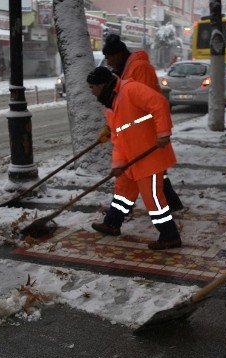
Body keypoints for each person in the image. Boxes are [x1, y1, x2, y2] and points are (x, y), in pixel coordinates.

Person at [87, 66, 182, 250]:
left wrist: (163, 132)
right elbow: (119, 136)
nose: (91, 92)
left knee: (153, 198)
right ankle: (112, 224)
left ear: (102, 85)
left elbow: (159, 103)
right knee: (122, 191)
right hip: (131, 158)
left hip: (150, 156)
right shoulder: (110, 103)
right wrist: (119, 163)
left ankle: (170, 235)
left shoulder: (130, 90)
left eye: (92, 87)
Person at [99, 34, 185, 219]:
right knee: (145, 175)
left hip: (146, 132)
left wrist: (160, 132)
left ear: (119, 54)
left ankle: (167, 210)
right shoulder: (124, 70)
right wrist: (112, 126)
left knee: (152, 174)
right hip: (134, 133)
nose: (108, 62)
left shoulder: (140, 68)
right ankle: (117, 216)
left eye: (110, 57)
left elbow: (143, 103)